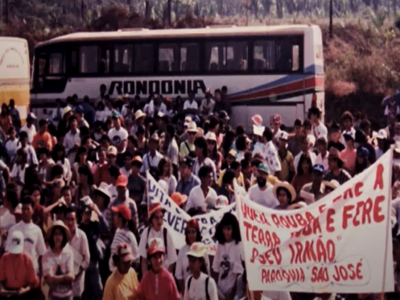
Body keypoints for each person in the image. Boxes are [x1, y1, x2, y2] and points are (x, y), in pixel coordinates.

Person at [6, 196, 46, 275]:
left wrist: (42, 275)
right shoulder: (13, 230)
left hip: (33, 271)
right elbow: (8, 253)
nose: (25, 212)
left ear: (33, 211)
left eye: (28, 209)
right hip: (17, 272)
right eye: (23, 209)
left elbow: (41, 255)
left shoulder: (37, 230)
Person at [138, 202, 177, 276]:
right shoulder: (146, 233)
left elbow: (172, 261)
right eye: (156, 218)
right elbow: (143, 259)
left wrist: (165, 277)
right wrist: (145, 278)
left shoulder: (166, 233)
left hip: (164, 273)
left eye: (161, 217)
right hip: (150, 275)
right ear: (151, 219)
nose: (159, 221)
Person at [0, 230, 40, 300]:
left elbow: (33, 282)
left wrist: (25, 289)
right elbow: (0, 279)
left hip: (24, 294)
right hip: (8, 293)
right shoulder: (4, 258)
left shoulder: (27, 259)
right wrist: (2, 289)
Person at [212, 213, 243, 300]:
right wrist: (214, 289)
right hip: (219, 292)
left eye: (229, 228)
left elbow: (238, 275)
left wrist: (232, 293)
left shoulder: (238, 246)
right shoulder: (220, 245)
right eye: (224, 228)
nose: (226, 231)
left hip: (232, 294)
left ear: (234, 229)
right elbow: (215, 269)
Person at [42, 220, 75, 300]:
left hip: (68, 296)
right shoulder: (46, 256)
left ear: (63, 236)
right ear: (52, 236)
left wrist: (55, 278)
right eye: (55, 234)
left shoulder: (69, 253)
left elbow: (71, 276)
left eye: (60, 234)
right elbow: (49, 279)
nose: (57, 237)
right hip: (53, 297)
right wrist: (65, 278)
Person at [175, 219, 209, 293]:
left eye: (193, 232)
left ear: (197, 233)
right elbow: (178, 275)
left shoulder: (203, 249)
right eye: (188, 232)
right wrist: (185, 292)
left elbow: (207, 273)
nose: (191, 235)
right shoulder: (182, 250)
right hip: (187, 291)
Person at [64, 207, 90, 300]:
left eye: (72, 219)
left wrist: (77, 272)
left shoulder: (82, 236)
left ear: (76, 220)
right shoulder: (61, 236)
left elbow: (87, 260)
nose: (70, 222)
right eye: (68, 219)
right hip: (62, 287)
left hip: (77, 286)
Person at [109, 204, 139, 272]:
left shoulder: (130, 235)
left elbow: (137, 257)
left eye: (116, 214)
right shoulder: (117, 231)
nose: (114, 217)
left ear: (121, 218)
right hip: (114, 273)